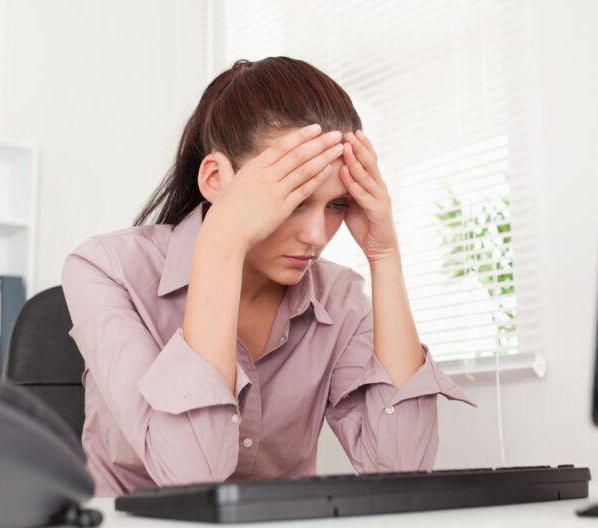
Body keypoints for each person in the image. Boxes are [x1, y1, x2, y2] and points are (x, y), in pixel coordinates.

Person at [61, 56, 475, 496]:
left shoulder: (339, 300)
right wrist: (221, 244)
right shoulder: (106, 270)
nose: (317, 236)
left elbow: (402, 471)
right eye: (293, 200)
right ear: (216, 179)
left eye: (337, 205)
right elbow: (188, 477)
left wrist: (384, 254)